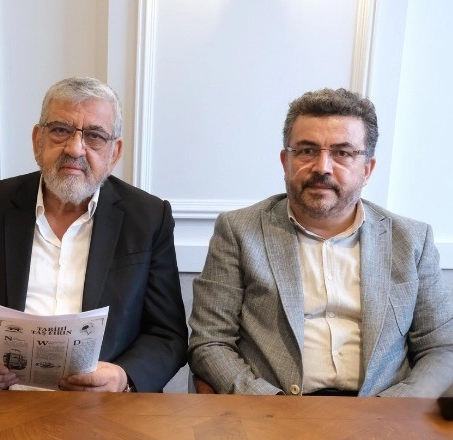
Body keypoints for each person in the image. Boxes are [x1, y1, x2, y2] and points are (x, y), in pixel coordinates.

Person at [0, 76, 188, 392]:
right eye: (60, 130)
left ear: (114, 153)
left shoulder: (148, 218)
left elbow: (167, 334)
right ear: (38, 141)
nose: (75, 148)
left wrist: (123, 377)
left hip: (102, 407)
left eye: (95, 136)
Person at [188, 88, 453, 397]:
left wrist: (391, 407)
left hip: (383, 410)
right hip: (273, 408)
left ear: (367, 169)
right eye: (307, 150)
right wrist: (270, 404)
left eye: (342, 153)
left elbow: (440, 348)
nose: (322, 167)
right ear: (286, 161)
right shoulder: (239, 231)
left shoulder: (412, 240)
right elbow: (210, 341)